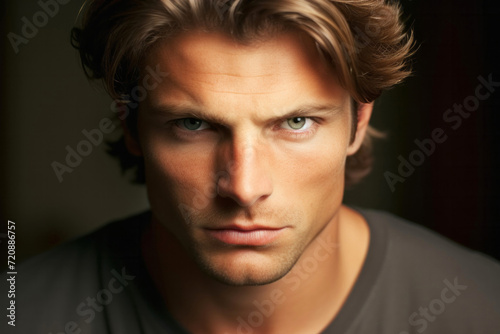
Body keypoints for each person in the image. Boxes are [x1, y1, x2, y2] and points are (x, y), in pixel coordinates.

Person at [2, 0, 500, 333]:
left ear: (359, 122)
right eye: (194, 125)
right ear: (131, 126)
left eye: (297, 121)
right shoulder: (22, 313)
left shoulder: (482, 309)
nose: (244, 187)